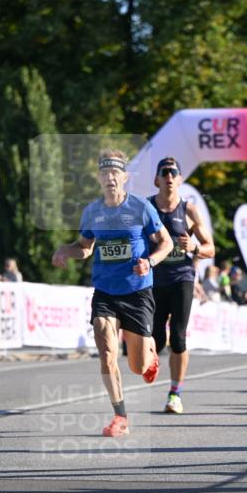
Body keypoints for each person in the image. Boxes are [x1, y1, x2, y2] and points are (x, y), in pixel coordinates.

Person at [52, 149, 173, 436]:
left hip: (137, 292)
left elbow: (166, 243)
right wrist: (66, 250)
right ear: (99, 178)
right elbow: (85, 247)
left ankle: (149, 353)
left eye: (115, 172)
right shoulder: (92, 212)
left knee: (138, 366)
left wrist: (150, 262)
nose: (110, 178)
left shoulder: (141, 207)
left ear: (125, 177)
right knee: (107, 352)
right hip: (105, 291)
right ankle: (120, 416)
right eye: (105, 173)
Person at [150, 157, 215, 414]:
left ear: (179, 180)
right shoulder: (146, 208)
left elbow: (210, 249)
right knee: (156, 339)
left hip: (182, 278)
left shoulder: (189, 210)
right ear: (156, 180)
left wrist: (195, 247)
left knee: (178, 337)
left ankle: (175, 394)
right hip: (154, 280)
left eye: (173, 172)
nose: (169, 176)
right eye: (164, 171)